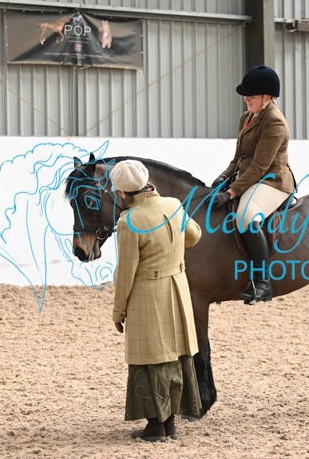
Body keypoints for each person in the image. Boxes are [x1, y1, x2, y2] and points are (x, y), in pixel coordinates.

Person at [110, 159, 202, 442]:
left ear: (122, 192)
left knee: (150, 357)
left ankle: (155, 427)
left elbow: (125, 273)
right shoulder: (174, 204)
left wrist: (118, 310)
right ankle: (169, 424)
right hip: (177, 288)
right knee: (174, 355)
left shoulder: (129, 221)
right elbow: (194, 236)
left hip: (147, 294)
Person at [208, 65, 296, 304]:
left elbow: (259, 166)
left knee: (246, 217)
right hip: (249, 176)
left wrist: (231, 192)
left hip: (272, 181)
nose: (246, 99)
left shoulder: (275, 122)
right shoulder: (247, 117)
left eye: (252, 96)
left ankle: (263, 283)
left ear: (268, 97)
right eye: (245, 95)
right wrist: (222, 178)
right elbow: (238, 158)